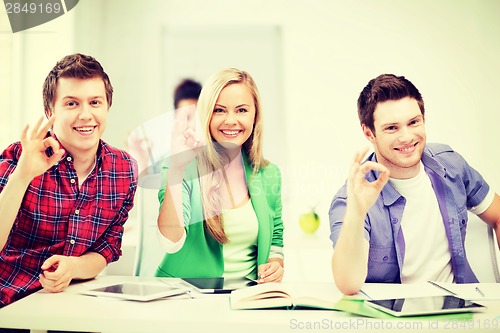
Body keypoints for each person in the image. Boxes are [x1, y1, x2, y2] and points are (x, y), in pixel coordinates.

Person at [329, 74, 500, 295]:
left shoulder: (451, 164)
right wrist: (357, 212)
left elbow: (497, 214)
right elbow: (348, 284)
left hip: (461, 312)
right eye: (392, 128)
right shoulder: (349, 200)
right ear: (368, 133)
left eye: (413, 122)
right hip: (395, 323)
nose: (407, 137)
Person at [0, 53, 138, 308]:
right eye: (72, 104)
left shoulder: (123, 169)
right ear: (50, 111)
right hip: (9, 304)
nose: (86, 115)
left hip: (72, 306)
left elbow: (106, 249)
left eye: (95, 102)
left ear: (107, 106)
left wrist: (73, 266)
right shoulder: (20, 156)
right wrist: (22, 177)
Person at [155, 68, 284, 283]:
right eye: (219, 110)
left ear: (255, 115)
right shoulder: (182, 166)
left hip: (248, 298)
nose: (231, 120)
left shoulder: (269, 173)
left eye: (242, 110)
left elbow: (275, 238)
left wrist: (276, 264)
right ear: (206, 115)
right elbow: (171, 241)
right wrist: (177, 169)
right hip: (185, 297)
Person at [127, 78, 202, 175]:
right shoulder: (164, 163)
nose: (192, 125)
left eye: (198, 116)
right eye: (186, 117)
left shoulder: (216, 158)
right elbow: (146, 186)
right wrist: (142, 162)